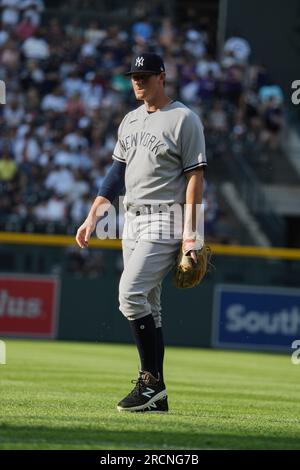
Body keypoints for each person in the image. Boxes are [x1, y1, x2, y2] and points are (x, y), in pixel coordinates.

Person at [76, 52, 207, 413]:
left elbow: (195, 178)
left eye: (146, 76)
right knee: (150, 305)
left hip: (166, 219)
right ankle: (157, 394)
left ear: (162, 77)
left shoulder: (184, 119)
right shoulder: (130, 120)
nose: (138, 82)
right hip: (130, 220)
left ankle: (149, 381)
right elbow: (115, 175)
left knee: (129, 294)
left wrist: (191, 236)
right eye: (135, 76)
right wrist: (92, 217)